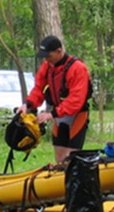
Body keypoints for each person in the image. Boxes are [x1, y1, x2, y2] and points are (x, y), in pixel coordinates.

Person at [15, 35, 91, 164]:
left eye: (48, 56)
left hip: (76, 115)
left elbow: (76, 100)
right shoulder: (47, 67)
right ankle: (61, 181)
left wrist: (52, 114)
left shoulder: (78, 68)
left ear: (59, 51)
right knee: (60, 158)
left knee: (71, 158)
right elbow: (39, 89)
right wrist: (27, 104)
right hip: (59, 116)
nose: (46, 59)